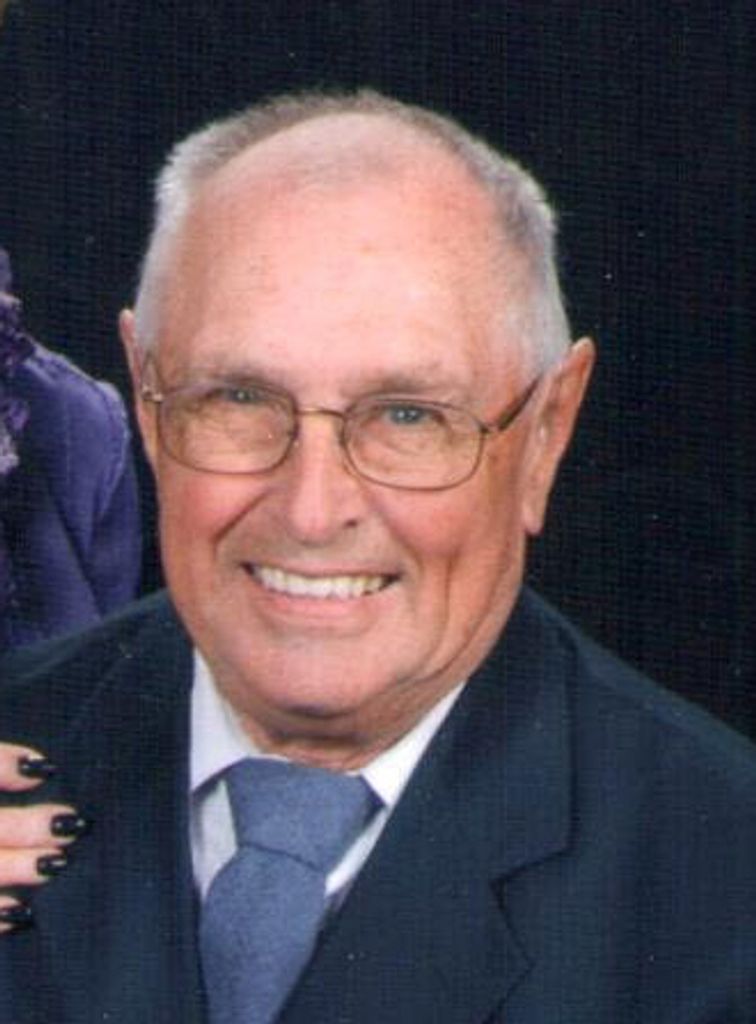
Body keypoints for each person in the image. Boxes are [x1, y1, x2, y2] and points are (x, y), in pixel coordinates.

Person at [0, 90, 754, 1022]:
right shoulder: (21, 735)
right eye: (238, 399)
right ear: (147, 405)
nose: (313, 511)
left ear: (547, 433)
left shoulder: (726, 893)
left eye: (408, 416)